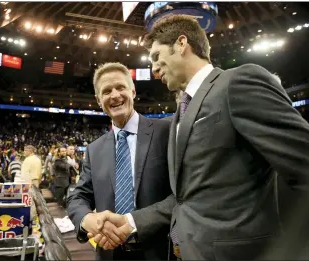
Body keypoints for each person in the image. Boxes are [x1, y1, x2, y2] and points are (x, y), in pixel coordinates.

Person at [101, 15, 309, 260]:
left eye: (157, 57)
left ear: (181, 43)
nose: (154, 69)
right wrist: (131, 221)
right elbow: (186, 199)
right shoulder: (180, 113)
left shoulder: (237, 83)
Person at [67, 62, 172, 260]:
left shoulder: (165, 133)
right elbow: (77, 197)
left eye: (120, 87)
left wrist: (133, 222)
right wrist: (88, 219)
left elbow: (180, 196)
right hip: (109, 253)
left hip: (159, 250)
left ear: (133, 91)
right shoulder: (94, 149)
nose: (115, 95)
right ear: (99, 100)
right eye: (107, 91)